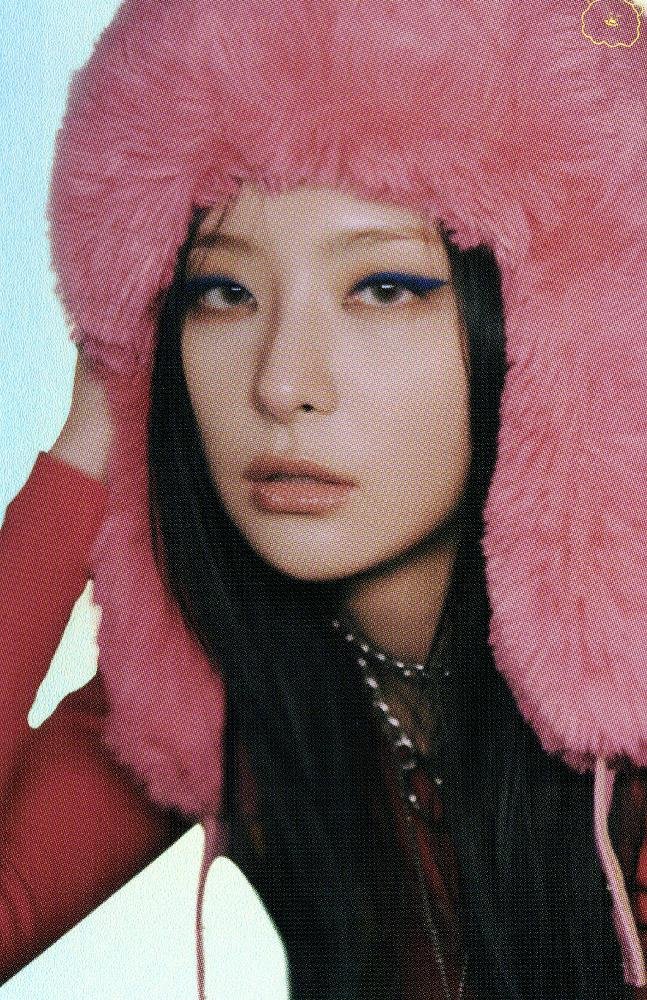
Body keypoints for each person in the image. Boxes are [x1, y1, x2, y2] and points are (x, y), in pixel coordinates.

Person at [2, 1, 646, 998]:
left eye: (382, 288)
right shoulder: (211, 692)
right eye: (222, 293)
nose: (281, 383)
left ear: (550, 327)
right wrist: (92, 434)